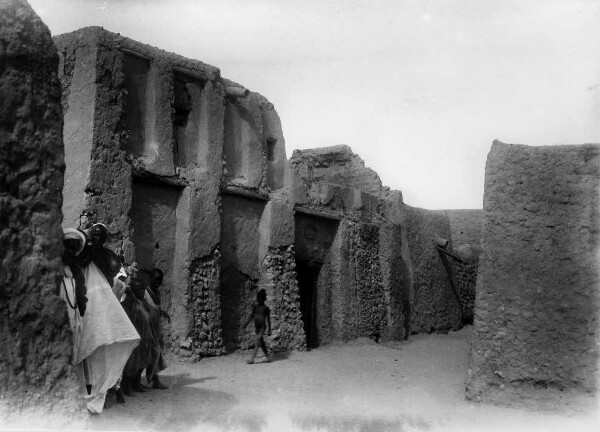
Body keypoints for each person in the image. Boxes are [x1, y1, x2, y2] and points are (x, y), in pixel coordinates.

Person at [74, 223, 141, 413]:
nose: (97, 239)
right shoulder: (84, 254)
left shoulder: (106, 256)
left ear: (105, 238)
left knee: (101, 346)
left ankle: (104, 389)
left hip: (104, 303)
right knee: (88, 347)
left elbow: (118, 277)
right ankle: (89, 390)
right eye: (94, 235)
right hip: (88, 301)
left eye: (100, 236)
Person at [121, 277, 160, 393]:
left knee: (144, 361)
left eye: (142, 289)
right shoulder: (130, 301)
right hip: (135, 336)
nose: (141, 291)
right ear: (132, 290)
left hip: (145, 336)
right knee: (131, 363)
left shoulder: (143, 301)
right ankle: (127, 386)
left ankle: (136, 383)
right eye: (137, 289)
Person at [144, 268, 168, 389]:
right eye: (156, 280)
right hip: (147, 328)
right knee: (153, 352)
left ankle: (154, 378)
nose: (158, 282)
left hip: (156, 326)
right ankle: (152, 378)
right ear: (150, 279)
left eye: (160, 280)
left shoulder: (156, 292)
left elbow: (156, 308)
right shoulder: (145, 293)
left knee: (155, 352)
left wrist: (162, 312)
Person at [243, 289, 272, 364]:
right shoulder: (255, 307)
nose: (258, 300)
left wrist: (269, 329)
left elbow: (268, 319)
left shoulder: (266, 308)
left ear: (263, 299)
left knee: (257, 341)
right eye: (258, 298)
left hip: (262, 327)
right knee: (261, 343)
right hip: (257, 327)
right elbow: (251, 316)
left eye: (260, 298)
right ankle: (268, 357)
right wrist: (246, 323)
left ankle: (252, 359)